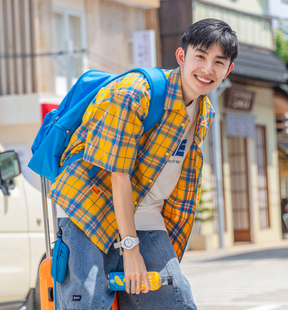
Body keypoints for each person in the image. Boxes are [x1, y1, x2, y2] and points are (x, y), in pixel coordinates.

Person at [49, 18, 238, 310]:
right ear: (181, 56)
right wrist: (130, 247)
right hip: (89, 208)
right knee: (88, 304)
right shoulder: (134, 93)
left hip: (146, 214)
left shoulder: (204, 113)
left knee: (176, 303)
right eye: (200, 56)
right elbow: (118, 173)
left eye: (218, 62)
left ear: (228, 69)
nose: (207, 69)